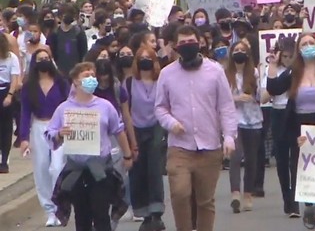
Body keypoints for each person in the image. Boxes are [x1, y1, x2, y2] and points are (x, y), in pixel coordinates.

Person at [155, 25, 238, 231]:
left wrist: (229, 136)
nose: (187, 46)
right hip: (180, 147)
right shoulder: (166, 74)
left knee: (205, 201)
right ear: (175, 46)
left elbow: (226, 106)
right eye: (182, 43)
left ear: (200, 42)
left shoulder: (215, 71)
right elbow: (160, 108)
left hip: (210, 146)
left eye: (191, 41)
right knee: (180, 193)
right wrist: (171, 123)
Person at [47, 61, 132, 231]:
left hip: (101, 169)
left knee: (101, 214)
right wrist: (59, 134)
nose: (91, 78)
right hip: (77, 170)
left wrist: (128, 155)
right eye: (86, 76)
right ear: (75, 81)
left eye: (93, 75)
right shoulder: (64, 109)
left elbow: (119, 130)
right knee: (82, 216)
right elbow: (50, 133)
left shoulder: (105, 106)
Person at [267, 33, 315, 230]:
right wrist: (272, 65)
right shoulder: (293, 72)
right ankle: (309, 204)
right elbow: (274, 88)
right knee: (302, 170)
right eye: (304, 44)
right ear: (299, 49)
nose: (308, 46)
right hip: (299, 125)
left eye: (311, 43)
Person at [18, 49, 68, 227]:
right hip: (38, 127)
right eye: (41, 59)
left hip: (58, 128)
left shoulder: (61, 83)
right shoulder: (29, 86)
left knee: (57, 167)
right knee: (41, 169)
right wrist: (23, 138)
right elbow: (25, 113)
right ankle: (50, 211)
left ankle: (60, 205)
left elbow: (69, 104)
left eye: (47, 58)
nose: (44, 61)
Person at [127, 46, 166, 231]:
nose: (144, 60)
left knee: (154, 170)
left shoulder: (161, 81)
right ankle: (144, 213)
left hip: (156, 127)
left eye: (148, 57)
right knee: (137, 172)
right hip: (135, 129)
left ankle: (157, 212)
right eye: (141, 57)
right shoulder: (128, 82)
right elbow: (125, 109)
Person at [261, 37, 298, 217]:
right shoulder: (272, 69)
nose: (288, 60)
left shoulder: (299, 70)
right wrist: (275, 74)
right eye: (285, 56)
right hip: (277, 113)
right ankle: (287, 200)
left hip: (295, 114)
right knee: (282, 160)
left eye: (291, 56)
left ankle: (296, 201)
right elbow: (264, 96)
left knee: (296, 160)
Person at [227, 41, 262, 213]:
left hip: (253, 119)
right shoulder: (225, 74)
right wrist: (236, 98)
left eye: (242, 50)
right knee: (235, 155)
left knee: (251, 159)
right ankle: (235, 193)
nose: (239, 53)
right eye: (236, 50)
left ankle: (248, 193)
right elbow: (219, 98)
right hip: (234, 120)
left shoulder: (254, 72)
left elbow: (262, 96)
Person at [0, 33, 20, 172]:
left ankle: (4, 160)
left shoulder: (11, 58)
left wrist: (10, 95)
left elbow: (14, 78)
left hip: (6, 91)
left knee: (6, 127)